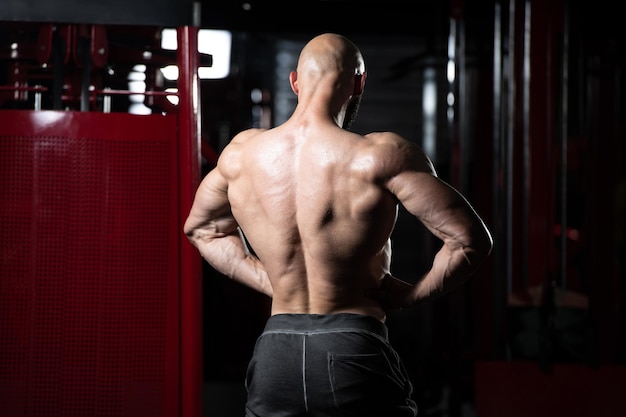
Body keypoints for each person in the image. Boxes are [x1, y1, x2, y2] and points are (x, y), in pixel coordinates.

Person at [184, 33, 493, 417]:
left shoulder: (242, 155)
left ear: (294, 81)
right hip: (352, 346)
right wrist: (412, 296)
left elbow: (201, 230)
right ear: (360, 82)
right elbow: (469, 241)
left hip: (276, 351)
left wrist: (270, 280)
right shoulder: (382, 156)